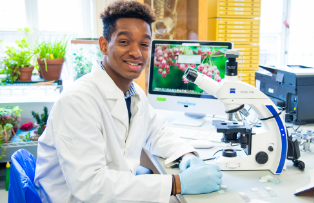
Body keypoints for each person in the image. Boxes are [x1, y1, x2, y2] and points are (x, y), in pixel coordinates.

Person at [34, 1, 222, 202]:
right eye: (124, 42)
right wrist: (178, 183)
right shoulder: (77, 102)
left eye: (144, 44)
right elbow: (90, 186)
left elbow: (157, 132)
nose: (136, 52)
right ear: (104, 45)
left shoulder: (133, 93)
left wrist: (187, 155)